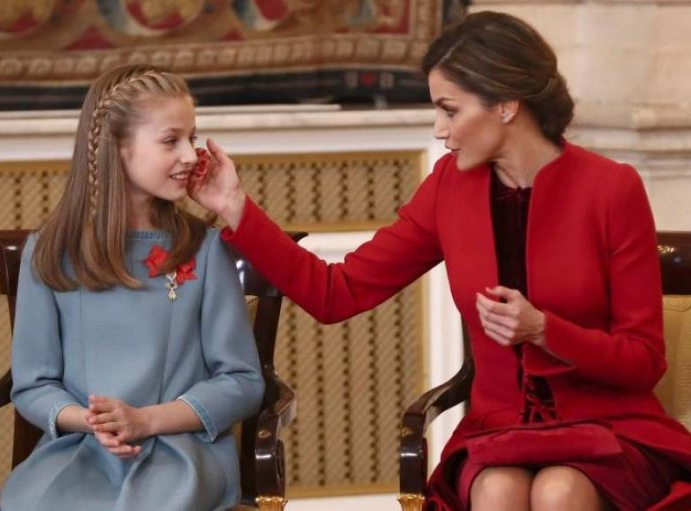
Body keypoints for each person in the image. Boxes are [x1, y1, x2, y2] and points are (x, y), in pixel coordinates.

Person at [190, 11, 691, 511]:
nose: (439, 130)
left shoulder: (611, 188)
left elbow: (644, 362)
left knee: (561, 491)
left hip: (608, 430)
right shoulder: (448, 188)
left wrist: (542, 329)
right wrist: (236, 206)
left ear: (507, 104)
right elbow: (336, 292)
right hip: (501, 432)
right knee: (497, 490)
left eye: (450, 110)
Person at [0, 65, 265, 511]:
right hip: (81, 453)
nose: (190, 155)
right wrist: (94, 422)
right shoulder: (49, 252)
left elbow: (241, 381)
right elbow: (32, 384)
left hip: (182, 456)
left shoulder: (205, 249)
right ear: (117, 148)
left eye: (192, 138)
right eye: (170, 140)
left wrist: (146, 421)